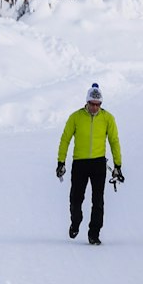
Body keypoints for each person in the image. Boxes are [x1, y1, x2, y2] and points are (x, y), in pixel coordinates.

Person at [56, 83, 123, 245]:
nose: (94, 107)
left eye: (98, 104)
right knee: (76, 198)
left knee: (98, 200)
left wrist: (118, 165)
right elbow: (65, 139)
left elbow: (114, 141)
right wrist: (61, 161)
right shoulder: (75, 117)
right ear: (87, 102)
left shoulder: (108, 118)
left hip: (98, 164)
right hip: (80, 163)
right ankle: (76, 222)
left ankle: (94, 233)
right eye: (92, 104)